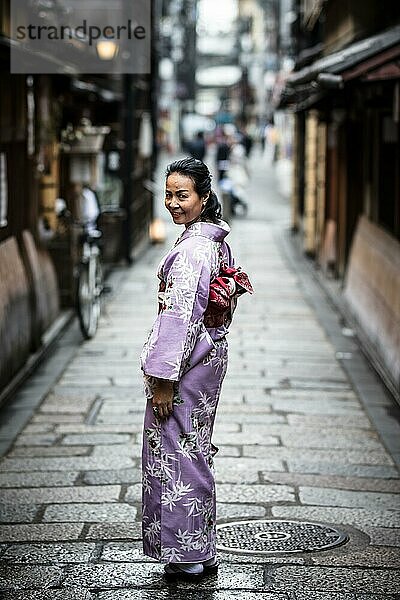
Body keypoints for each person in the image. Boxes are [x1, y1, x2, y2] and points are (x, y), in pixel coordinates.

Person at [140, 157, 248, 581]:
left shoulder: (195, 249)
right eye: (168, 195)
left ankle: (186, 553)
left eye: (182, 196)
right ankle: (198, 547)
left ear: (203, 198)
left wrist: (163, 379)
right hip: (207, 358)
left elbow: (179, 317)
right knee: (193, 449)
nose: (172, 203)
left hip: (187, 366)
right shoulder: (214, 242)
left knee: (177, 452)